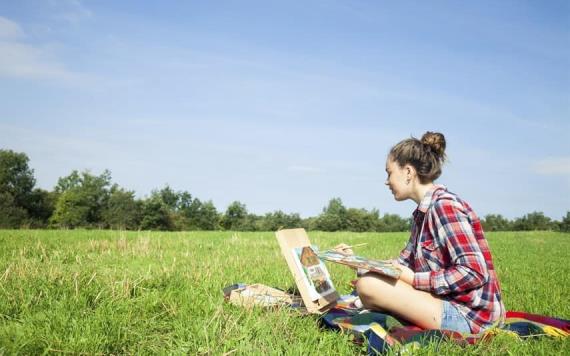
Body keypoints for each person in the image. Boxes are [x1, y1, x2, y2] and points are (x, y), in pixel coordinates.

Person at [336, 131, 504, 334]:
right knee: (369, 284)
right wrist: (354, 261)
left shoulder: (444, 207)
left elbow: (474, 272)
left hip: (470, 316)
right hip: (444, 303)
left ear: (408, 172)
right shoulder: (422, 214)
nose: (386, 181)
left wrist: (415, 279)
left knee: (369, 287)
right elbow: (399, 267)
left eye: (389, 173)